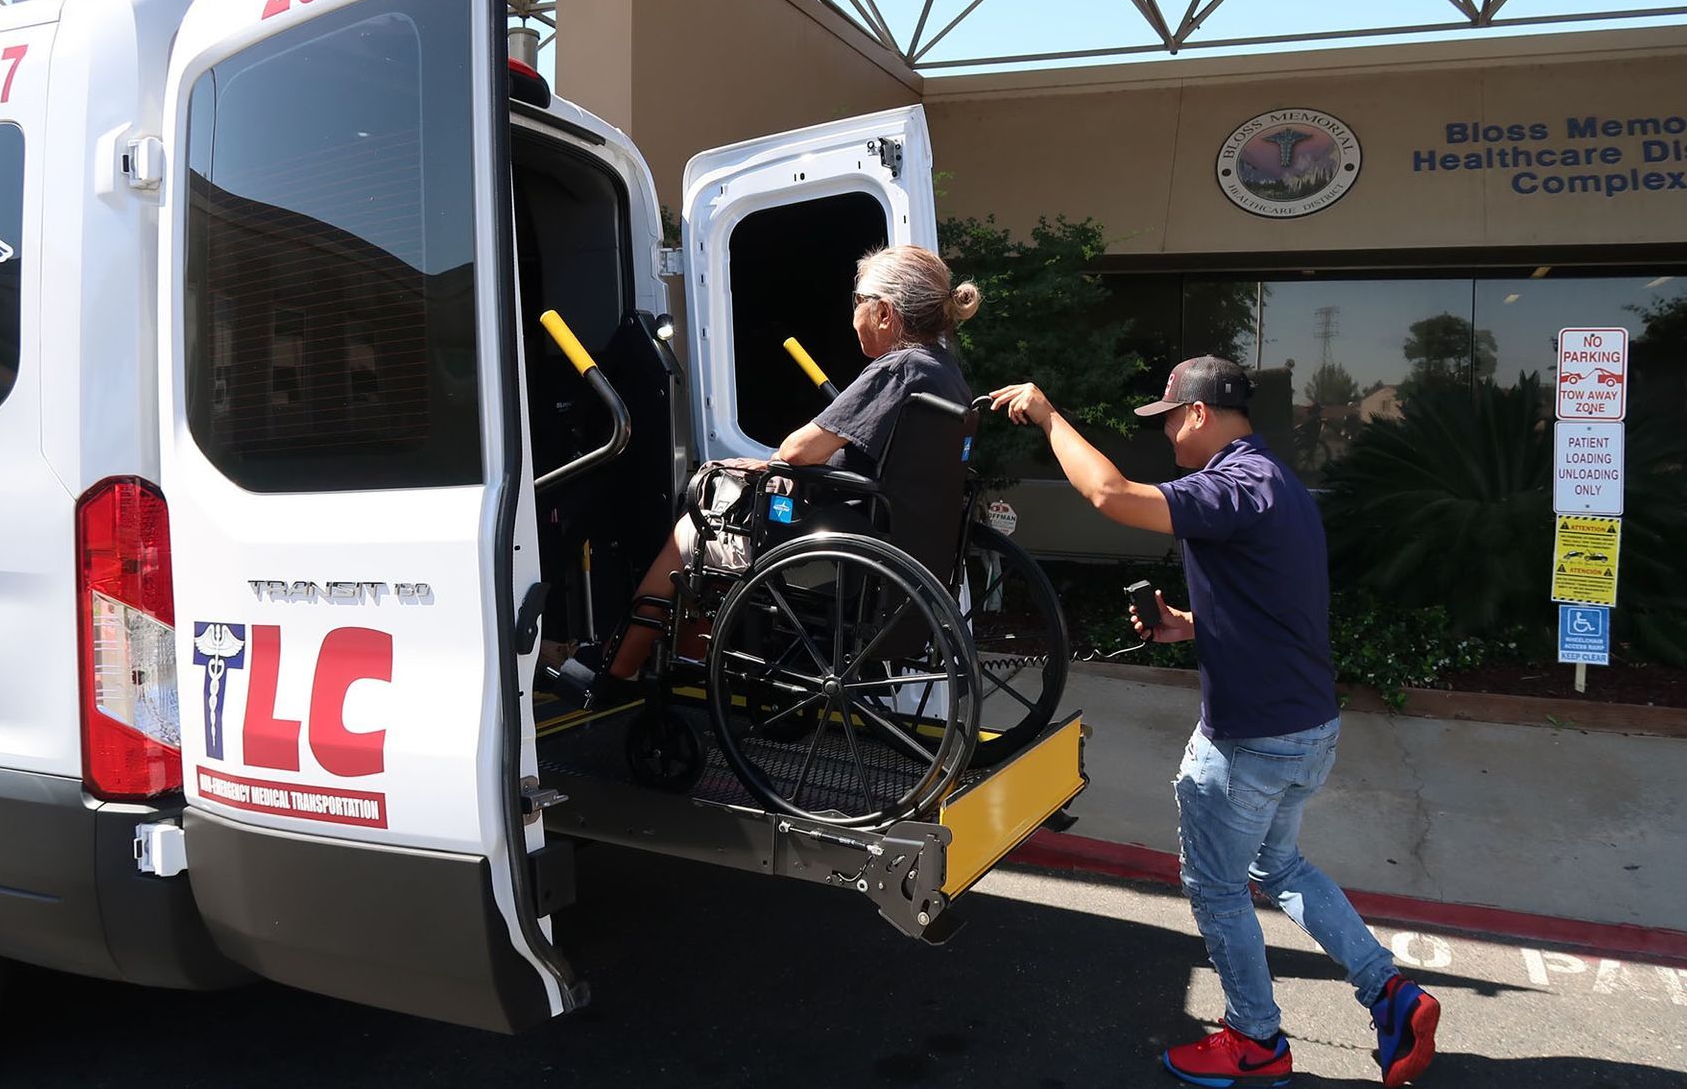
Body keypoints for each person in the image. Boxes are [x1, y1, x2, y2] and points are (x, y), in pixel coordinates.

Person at [990, 357, 1441, 1088]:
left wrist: (1047, 415)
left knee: (1218, 889)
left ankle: (1255, 1042)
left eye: (1168, 417)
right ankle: (1389, 992)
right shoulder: (1277, 482)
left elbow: (1109, 494)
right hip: (1309, 728)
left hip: (1250, 739)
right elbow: (1274, 607)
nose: (1165, 431)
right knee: (1280, 865)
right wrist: (1187, 624)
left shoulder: (1230, 483)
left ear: (1197, 413)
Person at [556, 245, 979, 699]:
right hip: (896, 540)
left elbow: (800, 449)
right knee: (718, 519)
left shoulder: (897, 368)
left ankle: (619, 670)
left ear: (883, 312)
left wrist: (776, 462)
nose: (853, 314)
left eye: (858, 302)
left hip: (840, 531)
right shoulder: (947, 374)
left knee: (691, 532)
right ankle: (690, 659)